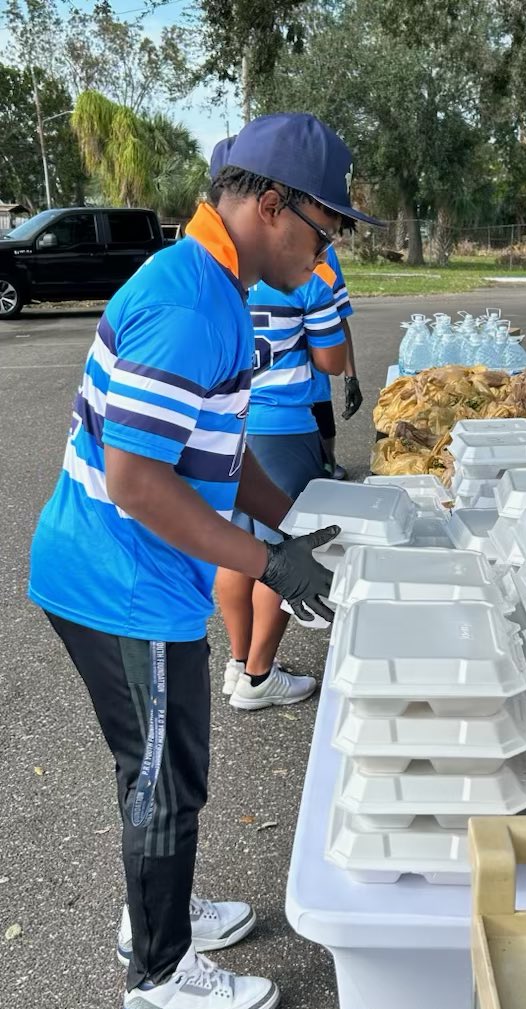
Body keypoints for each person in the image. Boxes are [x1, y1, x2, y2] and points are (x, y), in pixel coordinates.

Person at [27, 112, 381, 1009]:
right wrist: (268, 563)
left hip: (131, 569)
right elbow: (139, 484)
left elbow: (219, 457)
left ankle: (156, 913)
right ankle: (159, 977)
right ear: (273, 205)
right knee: (163, 778)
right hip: (123, 580)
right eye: (325, 227)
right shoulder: (193, 303)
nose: (328, 247)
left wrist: (295, 521)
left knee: (159, 771)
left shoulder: (218, 286)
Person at [215, 239, 351, 710]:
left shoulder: (220, 258)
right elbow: (330, 361)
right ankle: (259, 676)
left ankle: (238, 664)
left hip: (229, 422)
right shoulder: (313, 268)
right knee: (284, 551)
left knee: (235, 547)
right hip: (283, 426)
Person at [310, 243, 363, 480]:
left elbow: (340, 317)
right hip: (267, 397)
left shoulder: (325, 252)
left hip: (315, 381)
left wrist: (351, 377)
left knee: (327, 466)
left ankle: (327, 461)